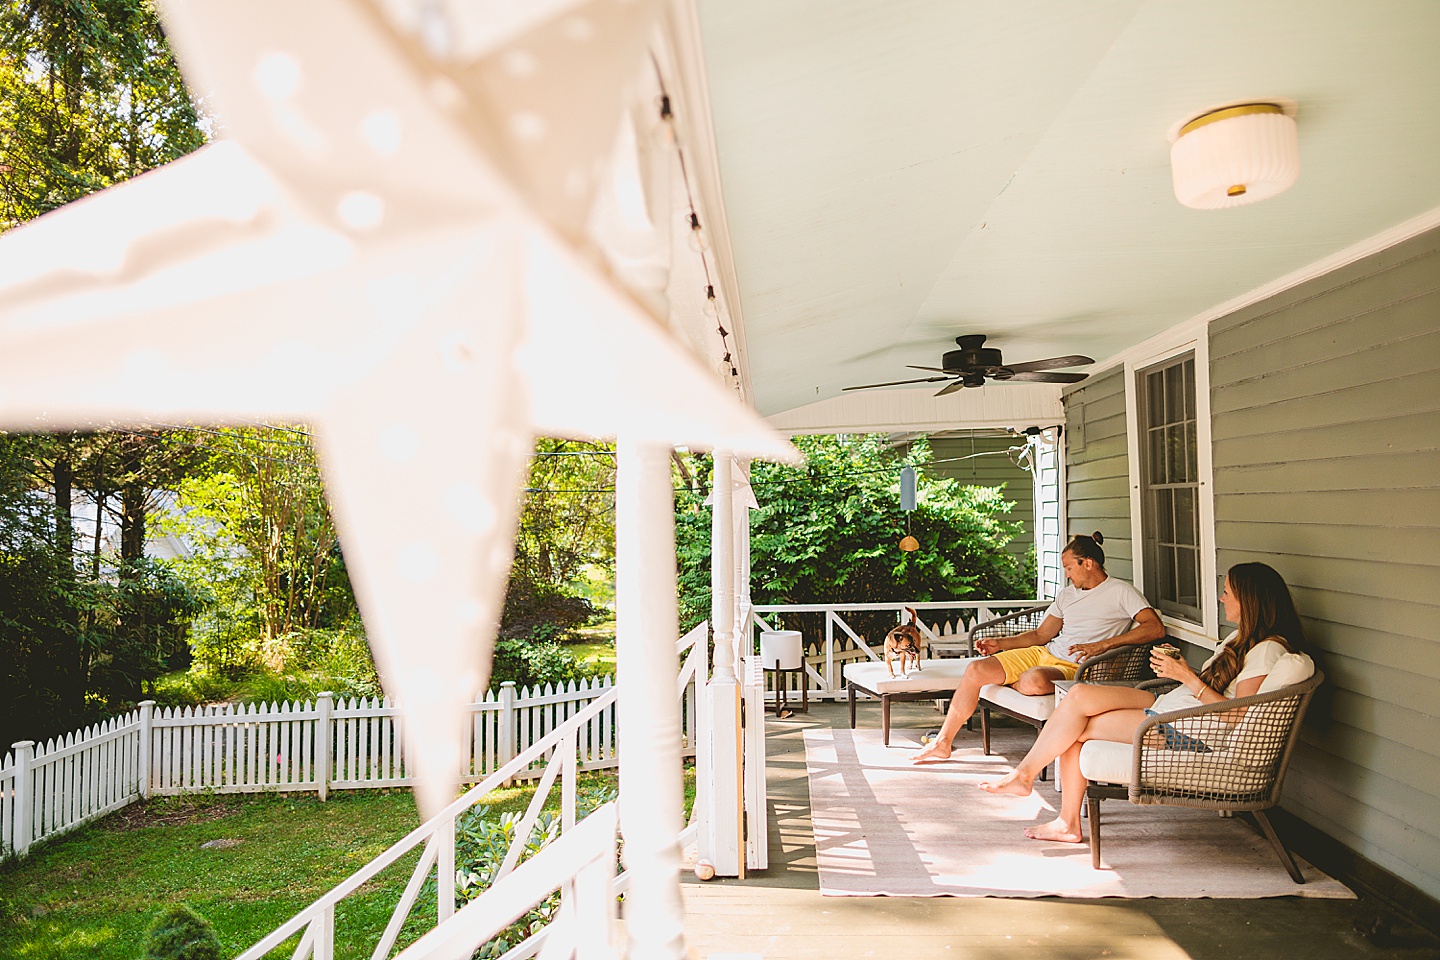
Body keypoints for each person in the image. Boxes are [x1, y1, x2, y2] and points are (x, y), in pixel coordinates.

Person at [977, 561, 1307, 843]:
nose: (1222, 598)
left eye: (1228, 593)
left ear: (1250, 601)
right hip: (1174, 706)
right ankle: (1032, 785)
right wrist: (1181, 673)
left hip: (1187, 729)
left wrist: (1186, 677)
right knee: (1078, 695)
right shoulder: (1242, 638)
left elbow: (1237, 716)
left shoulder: (1267, 650)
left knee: (1077, 730)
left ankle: (1060, 816)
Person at [910, 532, 1164, 763]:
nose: (1066, 574)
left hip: (1077, 666)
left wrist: (1103, 645)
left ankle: (1007, 680)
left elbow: (1154, 628)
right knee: (976, 669)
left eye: (1068, 567)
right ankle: (942, 743)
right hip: (1044, 652)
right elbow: (1042, 634)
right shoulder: (1067, 595)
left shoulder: (1121, 591)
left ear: (1088, 563)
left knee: (1035, 681)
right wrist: (1001, 644)